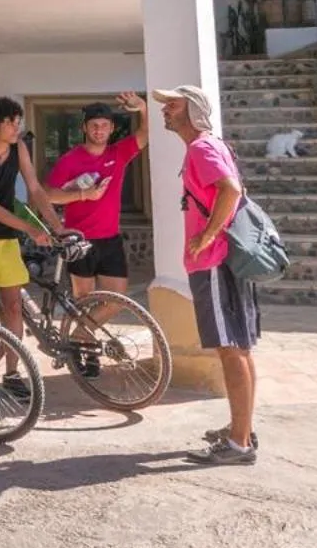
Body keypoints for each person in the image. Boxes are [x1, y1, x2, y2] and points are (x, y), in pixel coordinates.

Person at [154, 84, 259, 463]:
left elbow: (230, 191)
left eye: (172, 104)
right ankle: (241, 430)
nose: (165, 110)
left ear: (193, 109)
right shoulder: (209, 146)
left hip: (214, 262)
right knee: (239, 349)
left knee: (230, 351)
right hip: (221, 260)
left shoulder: (201, 148)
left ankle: (239, 445)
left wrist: (207, 235)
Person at [0, 96, 62, 398]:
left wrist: (56, 226)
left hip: (6, 237)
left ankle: (13, 373)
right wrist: (31, 228)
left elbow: (34, 188)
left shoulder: (20, 150)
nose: (17, 127)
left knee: (13, 304)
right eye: (11, 122)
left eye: (19, 121)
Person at [44, 93, 149, 300]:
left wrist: (143, 108)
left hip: (110, 239)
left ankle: (79, 334)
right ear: (84, 128)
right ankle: (79, 332)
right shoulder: (69, 160)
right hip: (80, 240)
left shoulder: (118, 153)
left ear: (112, 128)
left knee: (117, 301)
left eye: (104, 125)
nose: (98, 130)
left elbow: (145, 134)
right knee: (83, 301)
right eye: (93, 125)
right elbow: (47, 195)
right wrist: (84, 194)